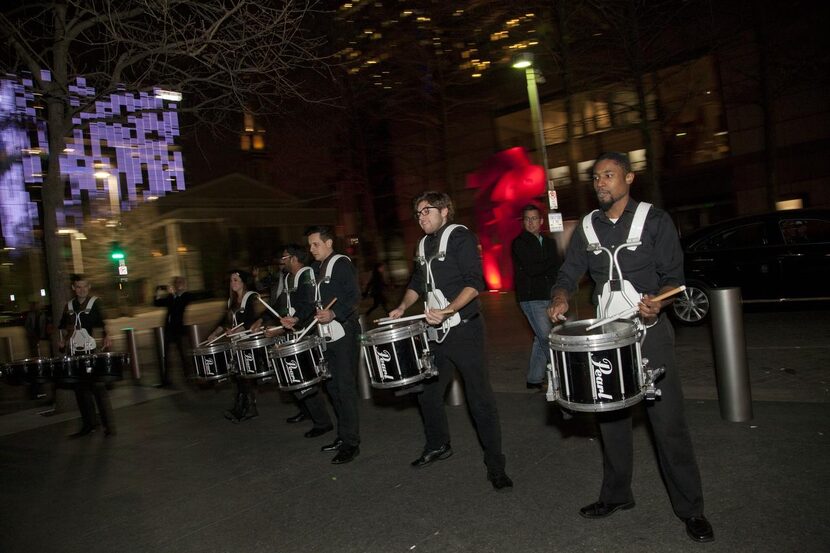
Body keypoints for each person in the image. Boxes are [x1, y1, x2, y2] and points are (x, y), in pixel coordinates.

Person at [547, 152, 713, 543]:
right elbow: (569, 273)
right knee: (611, 419)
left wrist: (659, 305)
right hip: (607, 336)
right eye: (596, 178)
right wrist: (560, 297)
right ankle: (617, 495)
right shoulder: (588, 227)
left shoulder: (655, 220)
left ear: (629, 178)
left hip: (649, 333)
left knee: (668, 424)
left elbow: (675, 278)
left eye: (609, 175)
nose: (601, 183)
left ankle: (692, 510)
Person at [388, 191, 512, 491]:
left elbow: (474, 282)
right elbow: (418, 282)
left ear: (444, 210)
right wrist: (403, 306)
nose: (421, 217)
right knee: (428, 393)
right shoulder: (421, 244)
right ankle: (439, 444)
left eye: (426, 210)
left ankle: (495, 466)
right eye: (417, 213)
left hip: (465, 330)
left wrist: (447, 311)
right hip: (436, 333)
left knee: (479, 400)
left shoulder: (460, 237)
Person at [306, 225, 362, 464]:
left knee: (345, 388)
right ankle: (343, 435)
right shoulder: (317, 268)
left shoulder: (341, 263)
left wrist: (334, 313)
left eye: (315, 244)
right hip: (327, 335)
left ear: (328, 243)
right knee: (333, 388)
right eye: (310, 245)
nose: (311, 249)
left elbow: (354, 297)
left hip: (344, 332)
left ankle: (351, 443)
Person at [266, 244, 334, 436]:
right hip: (292, 332)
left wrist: (296, 320)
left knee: (305, 380)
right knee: (291, 376)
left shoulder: (306, 275)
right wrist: (269, 323)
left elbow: (310, 304)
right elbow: (280, 305)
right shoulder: (288, 278)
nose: (282, 260)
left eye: (284, 257)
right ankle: (306, 412)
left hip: (306, 333)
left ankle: (323, 422)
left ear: (294, 258)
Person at [510, 204, 561, 390]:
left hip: (550, 295)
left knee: (541, 338)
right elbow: (532, 269)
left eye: (534, 219)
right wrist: (553, 261)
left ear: (541, 221)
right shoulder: (519, 243)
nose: (531, 222)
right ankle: (562, 378)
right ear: (523, 222)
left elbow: (556, 269)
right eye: (527, 219)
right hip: (531, 298)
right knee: (548, 338)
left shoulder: (549, 242)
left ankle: (533, 379)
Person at [58, 274, 115, 437]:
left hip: (91, 353)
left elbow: (105, 323)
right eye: (78, 287)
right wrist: (63, 341)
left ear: (89, 287)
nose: (81, 290)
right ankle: (89, 425)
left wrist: (107, 335)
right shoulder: (69, 306)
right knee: (80, 391)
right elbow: (64, 327)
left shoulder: (95, 302)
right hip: (75, 354)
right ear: (73, 288)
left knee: (98, 389)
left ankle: (108, 426)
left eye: (84, 286)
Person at [205, 270, 263, 423]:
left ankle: (248, 408)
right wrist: (214, 334)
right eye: (231, 281)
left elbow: (252, 320)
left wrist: (238, 329)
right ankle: (241, 406)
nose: (233, 283)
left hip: (247, 342)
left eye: (236, 280)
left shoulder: (250, 297)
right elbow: (225, 321)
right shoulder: (231, 301)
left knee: (244, 376)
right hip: (235, 343)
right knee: (236, 376)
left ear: (243, 282)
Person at [153, 276, 192, 387]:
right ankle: (165, 380)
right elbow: (156, 303)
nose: (177, 285)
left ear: (184, 284)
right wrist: (157, 290)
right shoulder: (171, 297)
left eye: (180, 282)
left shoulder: (186, 296)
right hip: (168, 330)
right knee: (166, 356)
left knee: (183, 356)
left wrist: (173, 294)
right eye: (176, 283)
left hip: (179, 330)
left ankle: (188, 377)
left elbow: (178, 306)